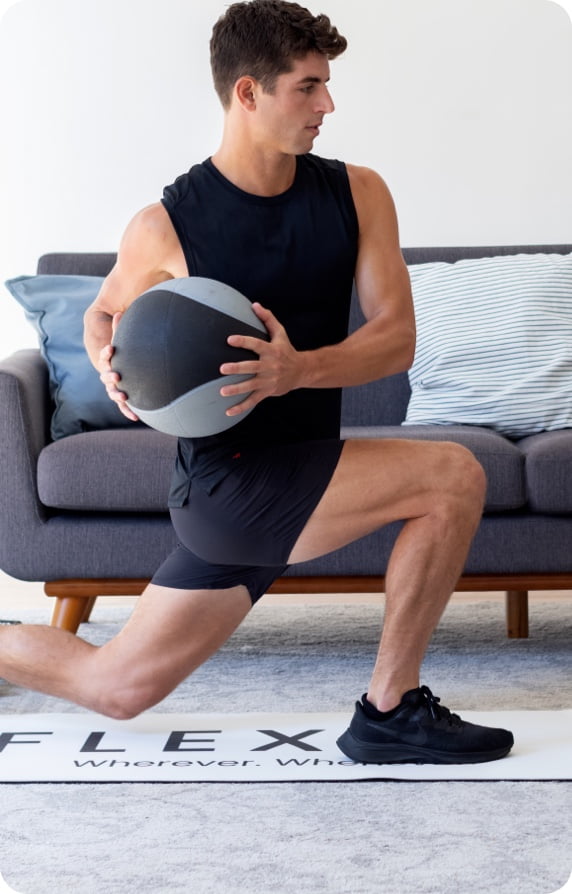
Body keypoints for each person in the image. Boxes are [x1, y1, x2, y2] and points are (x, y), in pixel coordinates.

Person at [0, 0, 513, 765]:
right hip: (227, 487)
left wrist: (299, 370)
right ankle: (390, 709)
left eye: (326, 86)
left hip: (298, 471)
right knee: (453, 476)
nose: (327, 105)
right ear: (248, 93)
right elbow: (104, 313)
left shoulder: (357, 194)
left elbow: (396, 340)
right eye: (307, 87)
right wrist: (112, 367)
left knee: (118, 686)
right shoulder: (166, 224)